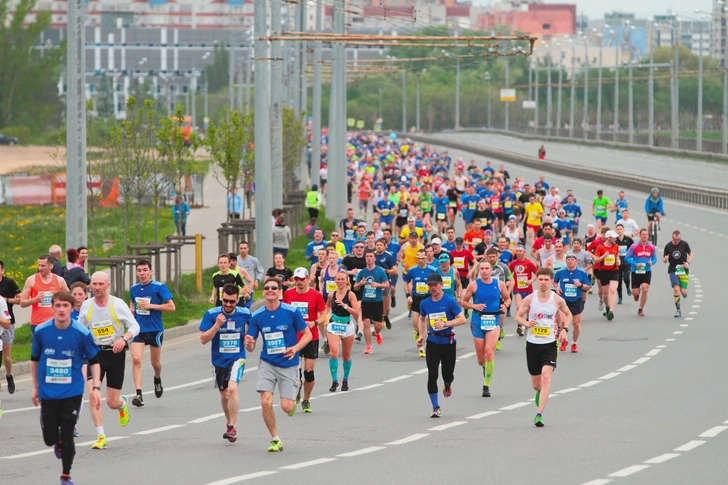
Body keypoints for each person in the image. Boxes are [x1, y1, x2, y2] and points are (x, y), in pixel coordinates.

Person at [31, 290, 102, 485]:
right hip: (48, 392)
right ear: (53, 307)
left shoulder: (81, 332)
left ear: (71, 308)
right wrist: (35, 387)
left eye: (65, 306)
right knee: (50, 438)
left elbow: (94, 362)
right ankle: (57, 440)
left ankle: (65, 476)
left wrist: (95, 388)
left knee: (68, 434)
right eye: (58, 306)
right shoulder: (41, 331)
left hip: (72, 391)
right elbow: (34, 360)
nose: (62, 309)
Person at [244, 277, 312, 452]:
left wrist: (295, 348)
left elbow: (307, 335)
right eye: (267, 288)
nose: (270, 290)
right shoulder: (257, 316)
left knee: (287, 407)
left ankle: (295, 394)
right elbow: (251, 347)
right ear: (263, 291)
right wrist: (248, 342)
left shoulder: (291, 311)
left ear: (280, 291)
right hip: (267, 362)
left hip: (289, 363)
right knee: (265, 401)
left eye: (274, 287)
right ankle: (275, 438)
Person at [77, 272, 139, 450]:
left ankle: (122, 404)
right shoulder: (87, 306)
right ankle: (101, 435)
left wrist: (124, 339)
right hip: (94, 354)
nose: (96, 287)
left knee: (112, 402)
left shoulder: (117, 304)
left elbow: (135, 326)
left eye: (100, 284)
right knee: (93, 394)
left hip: (115, 353)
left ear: (108, 285)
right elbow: (80, 329)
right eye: (93, 284)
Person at [515, 268, 572, 427]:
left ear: (550, 281)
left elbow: (568, 314)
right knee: (536, 384)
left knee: (546, 376)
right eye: (540, 279)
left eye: (546, 280)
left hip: (549, 344)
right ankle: (539, 391)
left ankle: (539, 414)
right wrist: (527, 323)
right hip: (532, 344)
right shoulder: (529, 299)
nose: (543, 283)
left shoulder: (557, 300)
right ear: (536, 280)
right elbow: (518, 317)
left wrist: (564, 330)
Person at [199, 284, 251, 443]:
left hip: (237, 357)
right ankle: (230, 424)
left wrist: (249, 341)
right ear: (221, 299)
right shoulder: (211, 314)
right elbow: (203, 339)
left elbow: (251, 335)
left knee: (232, 388)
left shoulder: (245, 314)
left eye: (232, 302)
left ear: (237, 300)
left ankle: (232, 426)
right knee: (224, 395)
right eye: (226, 301)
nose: (228, 305)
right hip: (218, 361)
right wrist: (217, 325)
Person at [416, 273, 466, 418]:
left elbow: (462, 319)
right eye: (430, 285)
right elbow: (422, 319)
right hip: (432, 342)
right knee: (432, 374)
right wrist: (421, 336)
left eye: (435, 285)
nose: (432, 288)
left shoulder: (449, 301)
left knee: (447, 374)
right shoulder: (425, 303)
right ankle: (435, 406)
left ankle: (448, 383)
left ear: (441, 285)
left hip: (448, 342)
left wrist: (445, 324)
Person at [129, 260, 176, 407]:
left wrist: (151, 306)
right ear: (136, 272)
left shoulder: (159, 287)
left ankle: (157, 378)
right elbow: (132, 306)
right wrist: (130, 314)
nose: (142, 273)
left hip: (155, 329)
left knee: (155, 363)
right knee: (136, 359)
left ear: (151, 271)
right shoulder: (134, 289)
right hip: (138, 329)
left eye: (145, 270)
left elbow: (171, 307)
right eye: (139, 270)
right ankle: (138, 394)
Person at [461, 260, 511, 398]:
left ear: (491, 270)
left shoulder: (499, 284)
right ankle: (485, 366)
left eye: (486, 268)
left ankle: (486, 385)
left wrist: (505, 306)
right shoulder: (473, 285)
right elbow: (463, 302)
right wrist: (474, 307)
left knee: (489, 352)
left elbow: (507, 299)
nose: (484, 271)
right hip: (478, 321)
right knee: (481, 360)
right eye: (481, 268)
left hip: (493, 320)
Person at [282, 267, 327, 413]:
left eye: (302, 279)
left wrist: (314, 323)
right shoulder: (288, 294)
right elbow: (284, 311)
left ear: (308, 278)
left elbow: (323, 314)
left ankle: (306, 399)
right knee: (296, 372)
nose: (299, 282)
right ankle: (297, 389)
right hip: (293, 338)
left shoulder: (316, 295)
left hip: (310, 337)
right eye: (296, 279)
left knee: (309, 372)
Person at [325, 271, 360, 392]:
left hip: (347, 326)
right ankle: (334, 381)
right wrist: (326, 318)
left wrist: (345, 306)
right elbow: (328, 307)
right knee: (333, 353)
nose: (340, 282)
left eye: (342, 279)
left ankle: (345, 379)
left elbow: (357, 312)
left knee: (346, 356)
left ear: (347, 281)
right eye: (338, 279)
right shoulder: (331, 294)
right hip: (334, 325)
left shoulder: (351, 295)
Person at [20, 255, 69, 333]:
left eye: (43, 266)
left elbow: (69, 299)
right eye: (39, 265)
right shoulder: (31, 280)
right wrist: (35, 300)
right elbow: (22, 303)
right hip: (38, 323)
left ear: (51, 266)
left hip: (56, 323)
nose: (40, 268)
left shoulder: (59, 280)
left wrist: (58, 296)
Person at [354, 250, 390, 354]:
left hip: (378, 301)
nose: (369, 258)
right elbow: (355, 287)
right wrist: (360, 283)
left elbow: (387, 284)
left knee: (377, 326)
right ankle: (369, 346)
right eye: (367, 256)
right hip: (366, 301)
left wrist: (378, 285)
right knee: (366, 322)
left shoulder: (380, 271)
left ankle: (378, 333)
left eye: (371, 256)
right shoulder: (363, 272)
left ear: (374, 259)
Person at [553, 253, 590, 353]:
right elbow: (554, 281)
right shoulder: (560, 272)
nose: (570, 261)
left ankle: (574, 343)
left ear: (576, 261)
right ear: (566, 261)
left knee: (576, 324)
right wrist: (557, 287)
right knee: (563, 322)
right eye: (568, 259)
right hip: (564, 300)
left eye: (572, 259)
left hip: (577, 300)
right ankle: (564, 341)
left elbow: (588, 286)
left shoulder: (582, 272)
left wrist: (580, 285)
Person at [404, 249, 436, 358]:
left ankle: (421, 348)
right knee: (416, 324)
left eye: (423, 258)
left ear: (426, 258)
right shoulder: (412, 270)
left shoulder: (432, 270)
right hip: (416, 299)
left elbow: (437, 284)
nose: (421, 260)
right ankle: (418, 333)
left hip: (427, 299)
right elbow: (406, 282)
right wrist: (408, 296)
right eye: (419, 258)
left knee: (425, 323)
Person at [625, 229, 657, 317]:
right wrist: (635, 264)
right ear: (640, 235)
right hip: (636, 271)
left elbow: (655, 258)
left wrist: (652, 262)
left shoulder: (651, 247)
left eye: (646, 234)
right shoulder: (634, 246)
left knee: (645, 288)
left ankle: (641, 308)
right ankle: (636, 294)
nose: (645, 236)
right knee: (635, 292)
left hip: (647, 271)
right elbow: (627, 258)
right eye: (643, 234)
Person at [0, 260, 21, 394]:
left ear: (2, 270)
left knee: (6, 357)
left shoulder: (9, 283)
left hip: (7, 322)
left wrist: (6, 300)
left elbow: (20, 299)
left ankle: (9, 375)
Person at [663, 230, 692, 318]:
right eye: (675, 240)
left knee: (683, 292)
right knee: (676, 289)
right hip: (673, 270)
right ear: (672, 238)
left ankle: (684, 293)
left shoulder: (684, 244)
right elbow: (664, 259)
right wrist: (665, 259)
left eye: (678, 239)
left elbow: (690, 254)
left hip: (683, 269)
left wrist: (688, 262)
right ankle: (678, 310)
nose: (676, 241)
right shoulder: (668, 246)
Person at [593, 230, 620, 321]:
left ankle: (611, 311)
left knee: (613, 290)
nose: (616, 239)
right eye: (614, 237)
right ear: (609, 238)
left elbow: (617, 256)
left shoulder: (616, 246)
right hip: (603, 272)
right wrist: (604, 256)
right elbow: (595, 261)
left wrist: (618, 261)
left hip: (614, 270)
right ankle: (607, 307)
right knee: (605, 295)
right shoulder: (600, 247)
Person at [614, 224, 635, 305]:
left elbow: (634, 248)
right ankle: (620, 297)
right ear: (616, 230)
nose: (619, 231)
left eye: (621, 229)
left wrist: (633, 258)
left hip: (626, 263)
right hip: (617, 264)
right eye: (618, 229)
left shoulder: (629, 240)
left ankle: (627, 287)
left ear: (623, 230)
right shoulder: (614, 240)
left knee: (626, 278)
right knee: (618, 281)